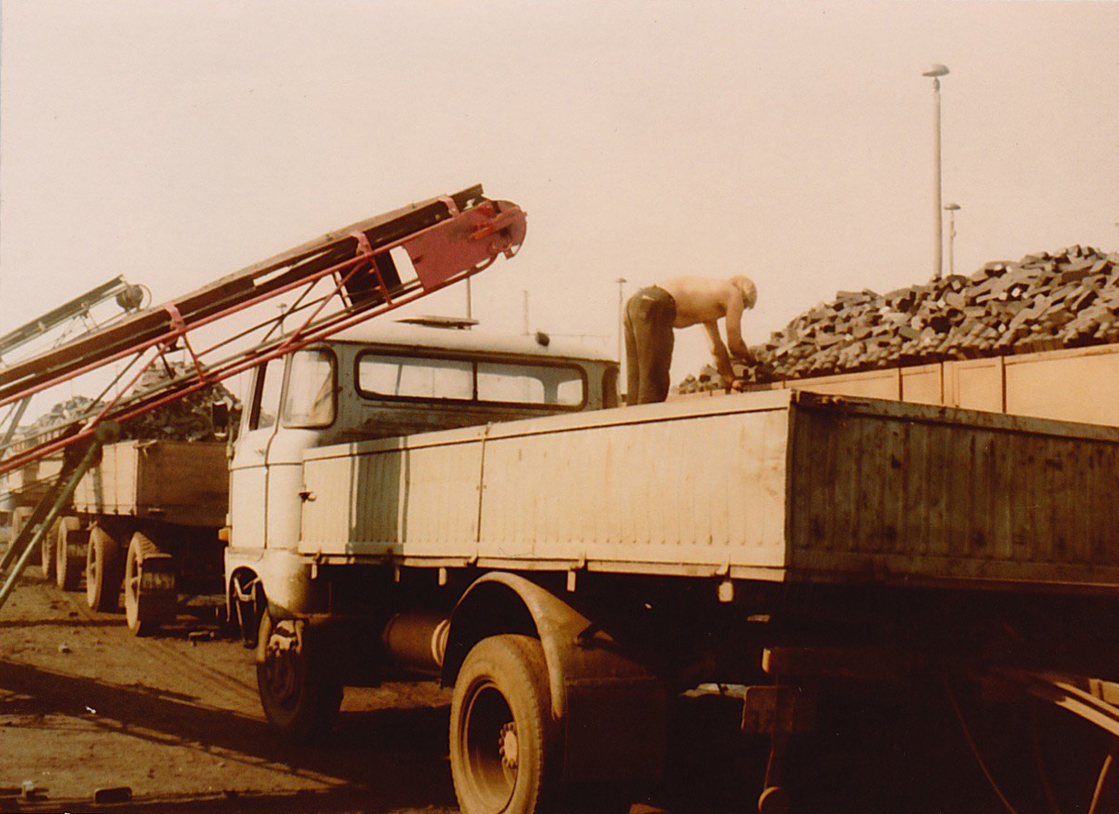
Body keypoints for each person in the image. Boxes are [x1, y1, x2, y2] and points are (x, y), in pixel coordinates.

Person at [623, 275, 757, 404]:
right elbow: (735, 345)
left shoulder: (710, 299)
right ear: (744, 298)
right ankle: (648, 427)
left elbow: (716, 349)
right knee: (654, 382)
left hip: (635, 303)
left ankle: (629, 424)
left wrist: (731, 380)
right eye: (744, 307)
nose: (740, 309)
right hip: (656, 304)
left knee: (637, 380)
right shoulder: (734, 294)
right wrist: (752, 360)